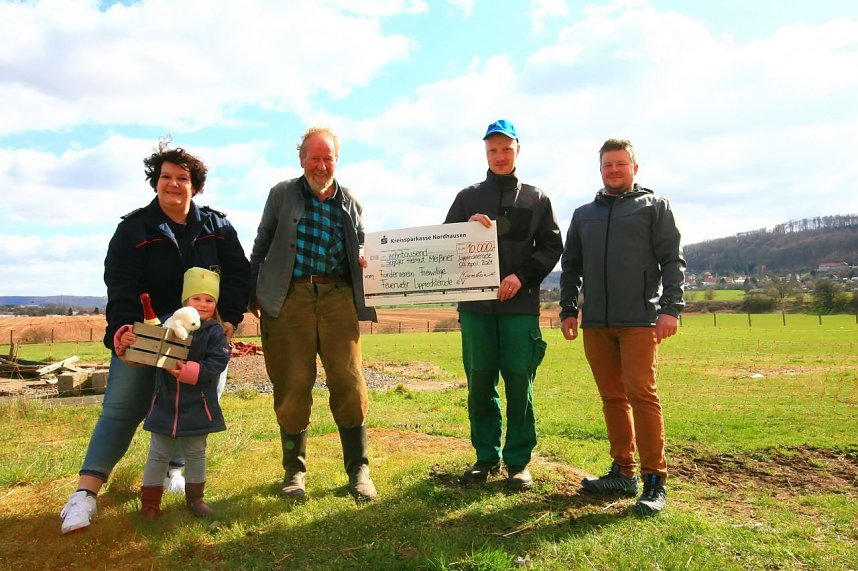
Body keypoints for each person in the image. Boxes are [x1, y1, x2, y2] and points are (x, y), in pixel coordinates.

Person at [60, 141, 250, 534]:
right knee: (122, 408)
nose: (173, 185)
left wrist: (229, 319)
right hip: (146, 334)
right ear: (155, 182)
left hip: (203, 338)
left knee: (193, 402)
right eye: (166, 177)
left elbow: (238, 276)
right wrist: (122, 331)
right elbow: (121, 283)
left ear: (195, 186)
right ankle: (84, 494)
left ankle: (173, 472)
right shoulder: (133, 229)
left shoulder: (218, 227)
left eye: (182, 178)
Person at [250, 127, 378, 501]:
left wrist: (365, 260)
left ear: (337, 160)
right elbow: (260, 245)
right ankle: (294, 472)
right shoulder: (281, 194)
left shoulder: (350, 199)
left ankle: (359, 470)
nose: (321, 166)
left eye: (328, 158)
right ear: (301, 158)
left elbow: (362, 246)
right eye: (314, 157)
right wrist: (254, 295)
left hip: (338, 297)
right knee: (292, 385)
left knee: (350, 383)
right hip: (290, 299)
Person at [559, 138, 685, 515]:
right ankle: (622, 471)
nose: (614, 170)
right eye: (607, 165)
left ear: (634, 167)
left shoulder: (655, 207)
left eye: (620, 164)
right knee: (612, 397)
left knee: (642, 394)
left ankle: (654, 480)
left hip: (640, 321)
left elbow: (672, 261)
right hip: (596, 322)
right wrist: (568, 310)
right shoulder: (583, 215)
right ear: (600, 170)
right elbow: (571, 268)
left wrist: (671, 309)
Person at [444, 119, 563, 490]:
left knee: (518, 382)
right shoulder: (467, 197)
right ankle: (485, 456)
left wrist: (522, 276)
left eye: (506, 149)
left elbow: (551, 247)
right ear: (485, 152)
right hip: (476, 309)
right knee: (480, 383)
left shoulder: (536, 198)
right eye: (493, 150)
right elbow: (444, 245)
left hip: (519, 307)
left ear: (517, 151)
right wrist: (465, 227)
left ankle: (518, 461)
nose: (500, 156)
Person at [113, 267, 230, 520]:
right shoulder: (166, 324)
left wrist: (190, 371)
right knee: (158, 454)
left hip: (198, 405)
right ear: (185, 300)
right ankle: (150, 504)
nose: (202, 304)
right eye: (196, 298)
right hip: (164, 403)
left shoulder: (215, 333)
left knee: (196, 453)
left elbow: (217, 363)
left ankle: (196, 500)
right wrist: (130, 342)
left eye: (209, 300)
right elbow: (147, 349)